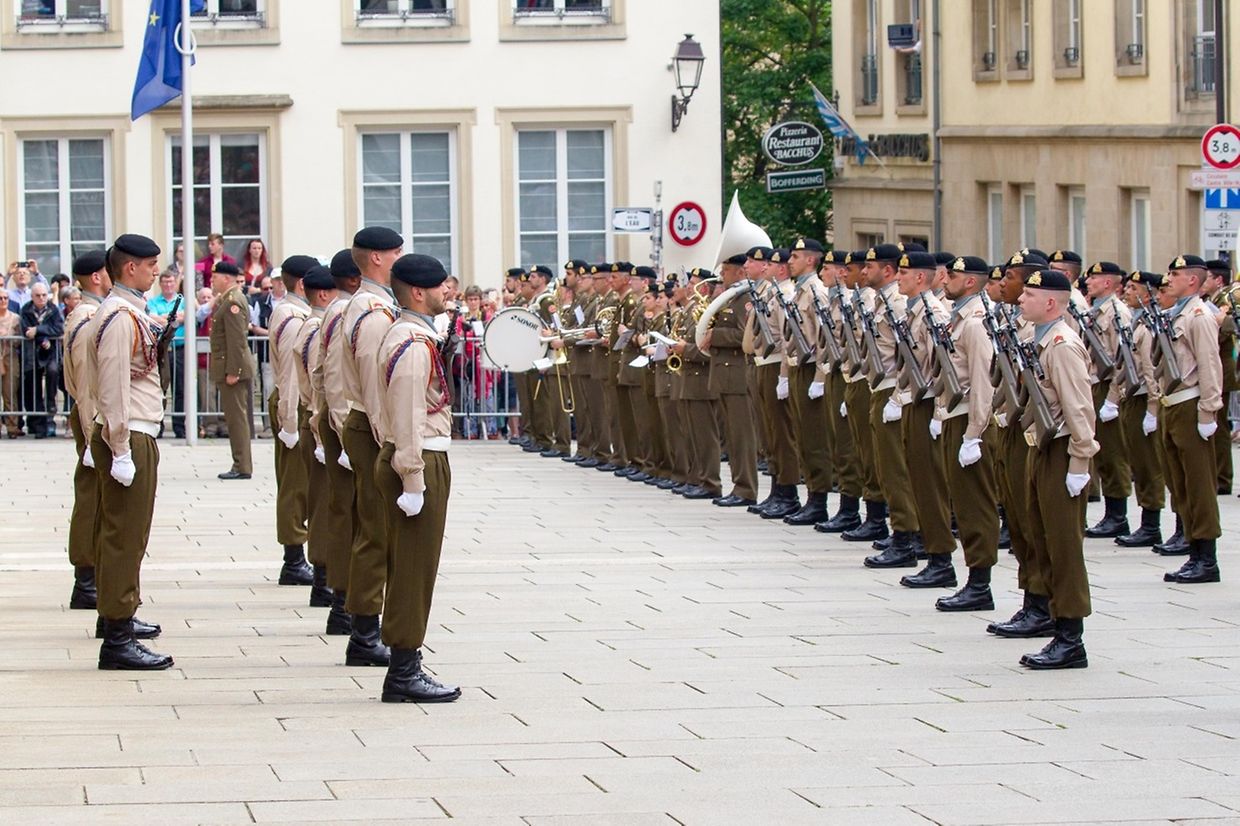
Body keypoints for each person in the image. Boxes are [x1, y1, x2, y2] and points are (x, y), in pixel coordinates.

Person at [375, 253, 461, 703]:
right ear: (417, 293)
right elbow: (407, 415)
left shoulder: (410, 335)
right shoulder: (411, 342)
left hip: (417, 454)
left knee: (414, 566)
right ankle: (404, 671)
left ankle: (406, 663)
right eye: (439, 286)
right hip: (419, 457)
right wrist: (411, 477)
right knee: (412, 569)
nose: (448, 292)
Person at [88, 234, 172, 670]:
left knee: (126, 536)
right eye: (150, 264)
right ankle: (118, 639)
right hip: (130, 434)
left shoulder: (128, 312)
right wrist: (119, 447)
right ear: (129, 268)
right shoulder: (120, 317)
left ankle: (119, 620)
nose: (155, 272)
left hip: (136, 432)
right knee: (124, 538)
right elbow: (113, 386)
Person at [1014, 268, 1098, 669]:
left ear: (1050, 302)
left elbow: (1080, 409)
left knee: (1063, 545)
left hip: (1064, 450)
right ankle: (1052, 622)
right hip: (1043, 447)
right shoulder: (1038, 340)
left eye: (1028, 294)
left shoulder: (1062, 346)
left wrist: (1080, 462)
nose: (1020, 299)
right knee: (1042, 537)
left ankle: (1071, 638)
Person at [920, 255, 1001, 610]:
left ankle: (980, 584)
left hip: (970, 420)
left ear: (970, 281)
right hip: (954, 416)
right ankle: (973, 579)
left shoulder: (976, 323)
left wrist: (975, 433)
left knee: (975, 506)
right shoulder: (959, 318)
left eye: (952, 275)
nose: (945, 279)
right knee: (963, 504)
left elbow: (983, 382)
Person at [339, 226, 404, 668]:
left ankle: (365, 626)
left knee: (375, 527)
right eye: (397, 253)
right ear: (377, 259)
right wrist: (390, 442)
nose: (402, 258)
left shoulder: (367, 305)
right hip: (372, 426)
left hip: (366, 424)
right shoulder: (373, 312)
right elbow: (373, 381)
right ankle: (364, 632)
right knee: (376, 530)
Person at [1160, 255, 1225, 584]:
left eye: (1176, 274)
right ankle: (1192, 548)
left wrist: (1209, 410)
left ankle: (1206, 557)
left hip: (1190, 405)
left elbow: (1210, 363)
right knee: (1180, 483)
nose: (1169, 278)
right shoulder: (1177, 313)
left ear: (1193, 281)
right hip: (1172, 405)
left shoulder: (1198, 315)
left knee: (1198, 485)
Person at [314, 250, 362, 636]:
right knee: (351, 517)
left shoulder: (335, 311)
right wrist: (344, 433)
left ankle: (343, 601)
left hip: (336, 422)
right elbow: (333, 376)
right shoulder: (345, 312)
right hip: (346, 424)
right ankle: (345, 604)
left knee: (346, 513)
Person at [62, 249, 110, 611]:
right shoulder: (87, 319)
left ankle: (92, 577)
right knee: (92, 499)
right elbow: (86, 383)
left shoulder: (91, 315)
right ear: (97, 277)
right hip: (93, 422)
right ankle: (87, 578)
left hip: (95, 422)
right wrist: (93, 437)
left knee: (98, 499)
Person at [267, 255, 317, 588]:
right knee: (294, 485)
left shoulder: (293, 313)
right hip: (293, 403)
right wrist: (288, 424)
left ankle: (297, 555)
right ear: (302, 284)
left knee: (300, 483)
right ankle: (294, 559)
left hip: (295, 402)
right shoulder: (292, 317)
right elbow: (289, 374)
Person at [296, 265, 339, 609]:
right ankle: (324, 580)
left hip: (318, 421)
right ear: (324, 294)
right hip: (320, 422)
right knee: (326, 506)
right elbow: (318, 382)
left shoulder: (316, 325)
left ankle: (327, 579)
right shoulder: (316, 328)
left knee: (326, 503)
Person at [701, 253, 758, 507]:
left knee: (741, 436)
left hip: (737, 375)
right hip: (724, 375)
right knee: (732, 435)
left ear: (739, 272)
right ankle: (738, 484)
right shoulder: (729, 298)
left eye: (725, 271)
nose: (721, 275)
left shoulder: (744, 299)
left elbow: (745, 336)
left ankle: (746, 488)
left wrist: (715, 334)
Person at [208, 262, 255, 480]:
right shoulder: (227, 299)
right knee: (235, 418)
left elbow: (237, 340)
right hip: (230, 366)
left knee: (237, 419)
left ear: (226, 278)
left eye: (215, 276)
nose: (212, 280)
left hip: (234, 367)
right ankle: (240, 463)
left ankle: (242, 465)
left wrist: (233, 370)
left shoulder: (233, 301)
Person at [20, 282, 64, 439]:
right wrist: (42, 338)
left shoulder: (53, 309)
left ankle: (50, 418)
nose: (41, 298)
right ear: (32, 297)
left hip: (51, 353)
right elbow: (26, 331)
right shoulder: (25, 309)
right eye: (38, 295)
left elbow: (59, 328)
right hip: (33, 353)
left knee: (53, 373)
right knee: (33, 388)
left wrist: (38, 330)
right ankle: (38, 426)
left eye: (44, 295)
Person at [146, 270, 187, 439]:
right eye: (165, 282)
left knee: (180, 389)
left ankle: (179, 426)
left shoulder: (182, 300)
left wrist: (167, 318)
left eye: (171, 282)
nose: (168, 285)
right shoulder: (154, 301)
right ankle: (159, 424)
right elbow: (153, 318)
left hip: (180, 347)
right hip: (163, 348)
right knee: (160, 387)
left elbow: (186, 316)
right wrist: (172, 318)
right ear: (160, 284)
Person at [0, 288, 23, 437]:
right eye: (0, 298)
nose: (3, 301)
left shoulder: (15, 318)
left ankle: (12, 426)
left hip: (10, 357)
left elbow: (20, 340)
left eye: (5, 298)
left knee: (10, 392)